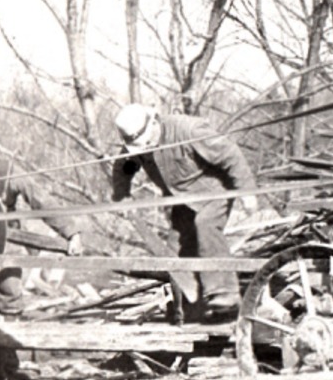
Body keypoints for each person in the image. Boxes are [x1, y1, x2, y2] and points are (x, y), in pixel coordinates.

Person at [110, 102, 257, 320]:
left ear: (154, 122)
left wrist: (246, 191)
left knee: (206, 226)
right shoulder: (138, 146)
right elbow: (124, 167)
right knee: (175, 252)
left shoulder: (189, 131)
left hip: (214, 190)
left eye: (147, 142)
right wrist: (122, 196)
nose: (146, 147)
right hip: (182, 200)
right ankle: (193, 308)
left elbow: (230, 155)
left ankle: (225, 295)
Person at [0, 122, 85, 316]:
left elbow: (42, 202)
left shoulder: (11, 174)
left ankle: (9, 330)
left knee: (11, 291)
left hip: (7, 241)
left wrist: (72, 233)